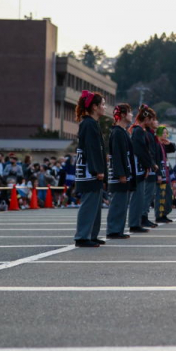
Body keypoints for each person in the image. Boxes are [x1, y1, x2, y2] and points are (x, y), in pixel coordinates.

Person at [73, 91, 106, 248]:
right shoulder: (88, 124)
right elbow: (91, 149)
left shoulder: (91, 123)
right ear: (94, 107)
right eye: (102, 104)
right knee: (89, 203)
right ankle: (82, 236)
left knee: (95, 205)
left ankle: (92, 234)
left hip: (90, 169)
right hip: (88, 170)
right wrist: (97, 169)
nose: (104, 107)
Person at [106, 103, 135, 239]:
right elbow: (117, 155)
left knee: (122, 203)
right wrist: (121, 174)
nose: (131, 115)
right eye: (129, 112)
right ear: (123, 115)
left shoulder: (123, 132)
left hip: (125, 172)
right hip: (119, 175)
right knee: (117, 203)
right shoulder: (117, 132)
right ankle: (113, 230)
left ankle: (118, 230)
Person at [128, 105, 157, 233]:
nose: (152, 122)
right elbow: (141, 150)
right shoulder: (138, 131)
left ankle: (136, 222)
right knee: (137, 197)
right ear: (146, 119)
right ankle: (134, 223)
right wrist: (149, 165)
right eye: (151, 119)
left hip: (140, 167)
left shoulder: (139, 130)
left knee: (140, 197)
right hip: (138, 168)